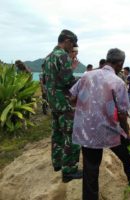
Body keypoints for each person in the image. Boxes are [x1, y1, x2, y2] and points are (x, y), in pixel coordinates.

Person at [70, 48, 130, 200]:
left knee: (90, 169)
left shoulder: (86, 75)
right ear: (120, 63)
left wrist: (85, 108)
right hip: (109, 130)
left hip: (86, 131)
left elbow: (72, 97)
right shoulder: (118, 82)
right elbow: (122, 113)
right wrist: (127, 133)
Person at [43, 29, 82, 182]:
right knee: (71, 135)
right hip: (65, 103)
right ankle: (69, 171)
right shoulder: (63, 56)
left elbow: (48, 81)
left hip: (53, 102)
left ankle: (57, 163)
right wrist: (83, 80)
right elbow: (68, 81)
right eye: (72, 43)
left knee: (57, 133)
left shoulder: (48, 58)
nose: (72, 47)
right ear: (66, 40)